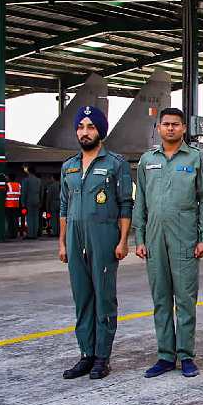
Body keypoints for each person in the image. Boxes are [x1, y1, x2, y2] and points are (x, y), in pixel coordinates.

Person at [133, 108, 203, 379]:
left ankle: (186, 355)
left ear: (183, 129)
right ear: (158, 127)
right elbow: (140, 201)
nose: (170, 128)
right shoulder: (147, 161)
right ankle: (165, 355)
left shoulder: (196, 158)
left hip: (185, 238)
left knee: (186, 299)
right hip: (154, 238)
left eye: (175, 125)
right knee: (161, 299)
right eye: (165, 124)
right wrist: (140, 237)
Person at [59, 105, 132, 380]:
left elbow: (126, 204)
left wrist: (123, 241)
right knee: (82, 298)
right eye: (81, 127)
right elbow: (64, 207)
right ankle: (86, 355)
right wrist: (62, 243)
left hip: (104, 237)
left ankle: (103, 356)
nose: (85, 132)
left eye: (90, 127)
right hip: (75, 239)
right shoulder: (69, 166)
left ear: (100, 130)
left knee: (104, 298)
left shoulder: (116, 164)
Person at [20, 165, 43, 239]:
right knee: (36, 217)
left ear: (28, 171)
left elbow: (24, 192)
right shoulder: (39, 180)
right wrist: (40, 201)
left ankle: (30, 234)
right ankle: (35, 234)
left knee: (29, 217)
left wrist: (23, 203)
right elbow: (41, 192)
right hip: (37, 200)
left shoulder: (26, 180)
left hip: (29, 200)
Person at [5, 173, 21, 239]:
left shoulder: (7, 185)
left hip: (8, 205)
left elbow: (4, 194)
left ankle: (10, 234)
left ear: (9, 178)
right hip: (16, 205)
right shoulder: (18, 185)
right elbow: (20, 194)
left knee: (9, 220)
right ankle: (15, 234)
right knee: (15, 220)